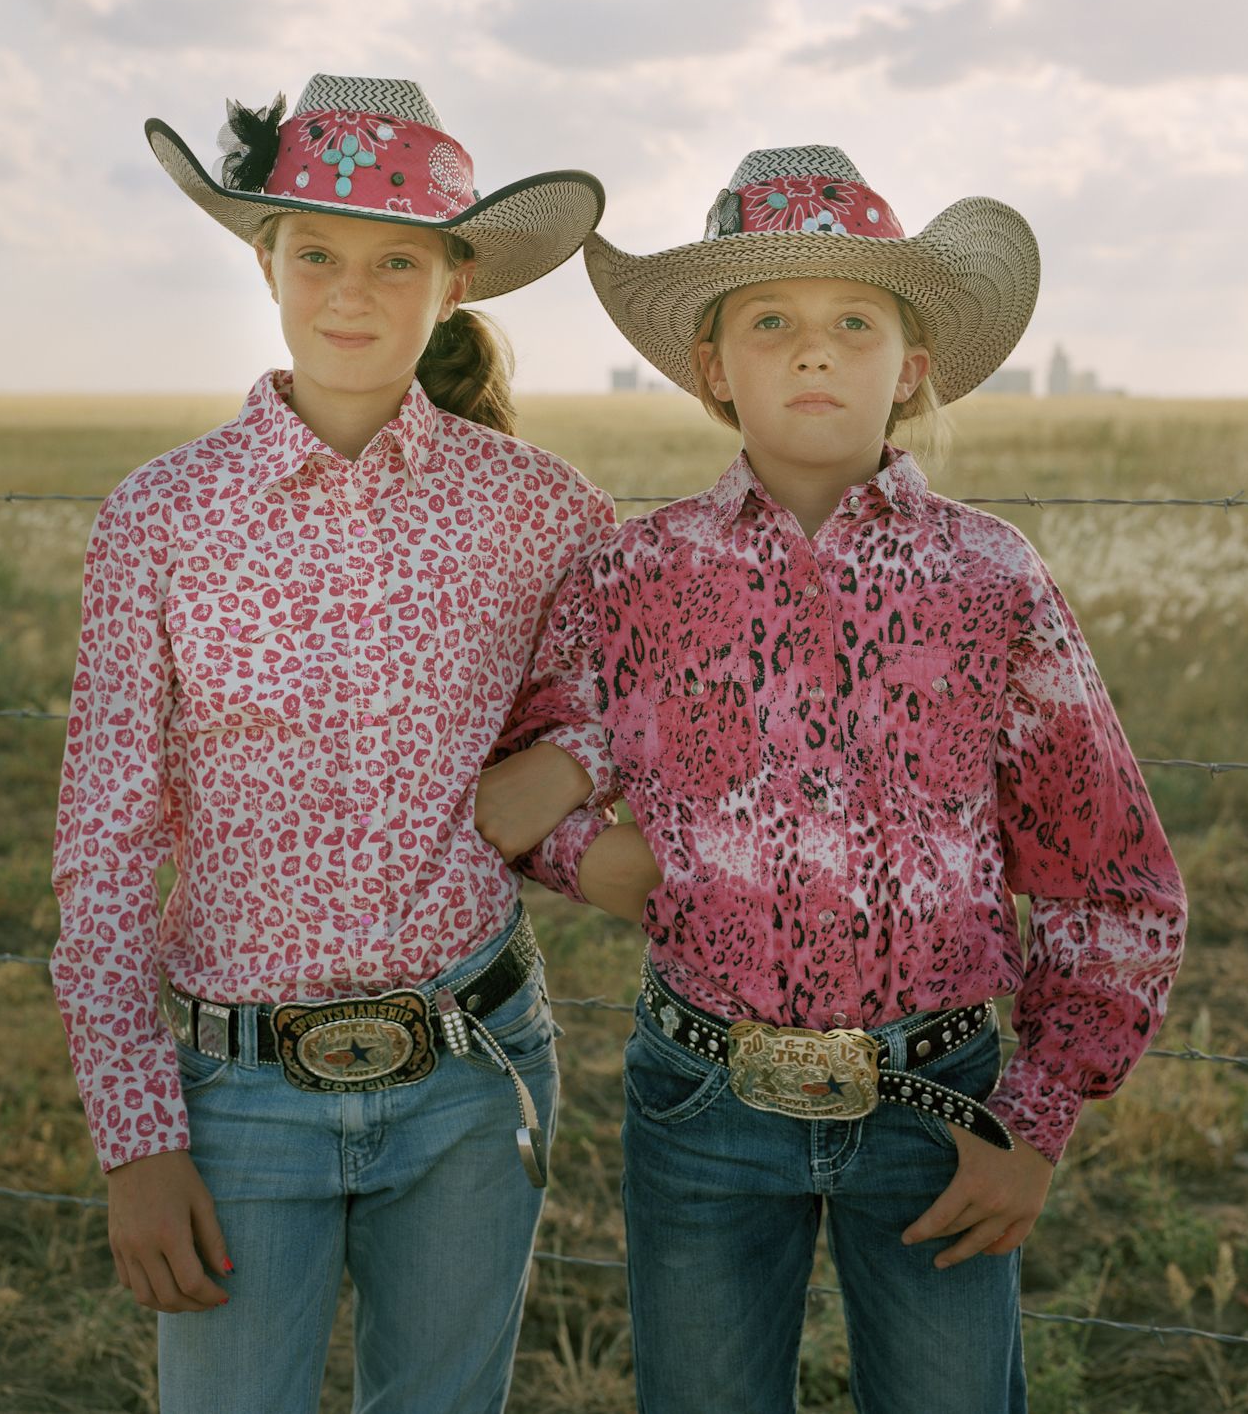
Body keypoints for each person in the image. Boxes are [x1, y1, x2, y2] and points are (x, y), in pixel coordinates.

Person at [478, 146, 1188, 1412]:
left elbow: (1109, 873)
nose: (813, 352)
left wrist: (1032, 1116)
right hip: (703, 1094)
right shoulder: (633, 575)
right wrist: (602, 852)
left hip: (941, 1095)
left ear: (907, 366)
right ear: (713, 366)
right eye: (770, 322)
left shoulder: (986, 577)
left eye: (851, 322)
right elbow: (523, 783)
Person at [49, 74, 613, 1414]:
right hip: (238, 1089)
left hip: (472, 1075)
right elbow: (109, 841)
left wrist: (570, 764)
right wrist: (138, 1139)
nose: (350, 291)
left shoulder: (537, 511)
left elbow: (660, 681)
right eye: (317, 252)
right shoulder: (163, 516)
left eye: (395, 259)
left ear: (455, 278)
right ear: (266, 257)